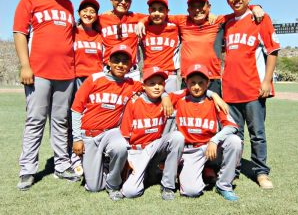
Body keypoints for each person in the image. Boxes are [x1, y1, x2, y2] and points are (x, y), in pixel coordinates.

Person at [71, 45, 173, 201]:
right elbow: (76, 109)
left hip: (111, 133)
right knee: (93, 187)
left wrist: (165, 96)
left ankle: (113, 185)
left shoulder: (132, 84)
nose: (120, 64)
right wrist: (77, 138)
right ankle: (98, 165)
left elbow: (153, 85)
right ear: (109, 61)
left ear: (130, 65)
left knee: (120, 147)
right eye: (116, 60)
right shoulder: (94, 79)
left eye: (125, 62)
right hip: (89, 135)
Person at [13, 0, 79, 191]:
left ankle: (61, 165)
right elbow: (20, 33)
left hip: (66, 73)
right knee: (35, 120)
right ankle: (27, 169)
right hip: (39, 71)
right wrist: (25, 65)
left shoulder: (69, 4)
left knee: (61, 122)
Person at [137, 0, 265, 96]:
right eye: (193, 6)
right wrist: (142, 21)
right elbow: (158, 15)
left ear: (209, 7)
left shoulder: (217, 20)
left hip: (212, 78)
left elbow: (239, 13)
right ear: (188, 9)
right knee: (185, 116)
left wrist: (255, 7)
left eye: (201, 6)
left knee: (214, 117)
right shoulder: (182, 20)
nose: (197, 10)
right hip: (188, 78)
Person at [222, 0, 280, 189]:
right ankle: (234, 170)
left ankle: (261, 172)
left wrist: (267, 81)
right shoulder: (225, 22)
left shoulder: (260, 18)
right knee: (234, 136)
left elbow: (273, 51)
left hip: (253, 89)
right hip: (230, 91)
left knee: (257, 134)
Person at [176, 64, 242, 201]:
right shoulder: (179, 100)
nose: (196, 86)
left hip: (210, 148)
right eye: (192, 82)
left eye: (201, 83)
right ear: (186, 83)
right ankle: (202, 172)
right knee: (191, 191)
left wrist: (214, 139)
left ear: (207, 84)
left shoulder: (214, 102)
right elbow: (161, 94)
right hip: (190, 151)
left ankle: (224, 185)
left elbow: (232, 126)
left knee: (235, 141)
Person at [120, 67, 184, 200]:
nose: (157, 87)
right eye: (152, 83)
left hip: (156, 148)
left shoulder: (167, 100)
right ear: (143, 86)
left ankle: (168, 186)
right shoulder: (134, 102)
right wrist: (127, 159)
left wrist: (214, 95)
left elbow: (190, 90)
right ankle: (149, 173)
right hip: (137, 151)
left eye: (160, 83)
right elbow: (124, 136)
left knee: (177, 137)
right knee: (130, 192)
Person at [71, 0, 103, 176]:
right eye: (84, 10)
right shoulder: (73, 31)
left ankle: (90, 155)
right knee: (74, 117)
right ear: (79, 13)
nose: (88, 14)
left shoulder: (100, 35)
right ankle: (74, 157)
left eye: (92, 11)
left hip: (95, 81)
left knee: (90, 118)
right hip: (76, 79)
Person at [99, 0, 146, 80]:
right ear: (111, 0)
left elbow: (155, 16)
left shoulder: (136, 17)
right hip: (109, 72)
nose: (123, 2)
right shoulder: (100, 19)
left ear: (131, 2)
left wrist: (142, 21)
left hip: (132, 73)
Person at [140, 0, 180, 93]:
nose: (157, 13)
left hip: (169, 75)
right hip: (149, 75)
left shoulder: (175, 27)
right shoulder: (143, 28)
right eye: (153, 9)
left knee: (171, 106)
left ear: (167, 12)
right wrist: (142, 21)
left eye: (161, 10)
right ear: (149, 11)